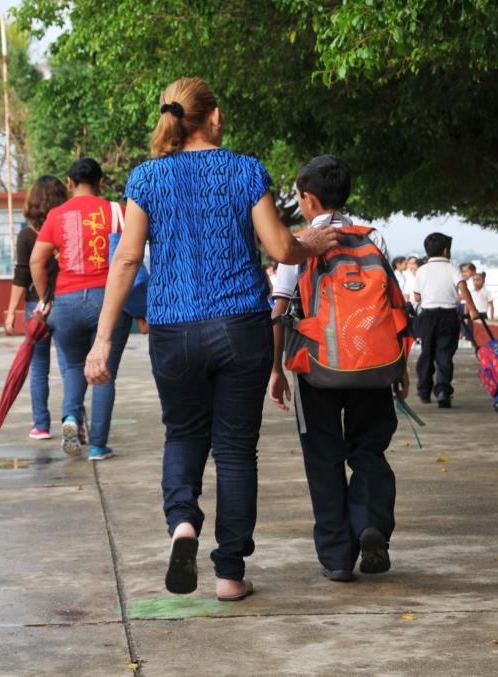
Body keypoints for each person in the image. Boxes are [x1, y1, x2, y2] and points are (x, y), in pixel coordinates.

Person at [83, 78, 336, 602]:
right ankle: (229, 574)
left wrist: (103, 339)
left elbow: (127, 260)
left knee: (182, 436)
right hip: (240, 326)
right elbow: (281, 247)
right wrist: (311, 244)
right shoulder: (244, 170)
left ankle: (182, 526)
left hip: (173, 330)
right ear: (213, 117)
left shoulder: (146, 178)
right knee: (237, 451)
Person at [270, 155, 404, 582]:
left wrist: (275, 369)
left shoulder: (299, 244)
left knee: (323, 458)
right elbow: (394, 305)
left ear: (308, 199)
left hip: (317, 369)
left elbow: (280, 307)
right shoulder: (373, 237)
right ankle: (370, 523)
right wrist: (398, 366)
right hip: (373, 363)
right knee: (368, 449)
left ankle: (337, 558)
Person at [30, 158, 132, 461]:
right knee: (104, 372)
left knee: (74, 367)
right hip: (109, 301)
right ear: (100, 182)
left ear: (69, 182)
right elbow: (135, 256)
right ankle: (98, 445)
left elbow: (37, 261)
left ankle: (71, 419)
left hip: (67, 302)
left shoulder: (56, 215)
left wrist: (44, 299)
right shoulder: (117, 211)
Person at [4, 174, 68, 440]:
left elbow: (22, 276)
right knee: (70, 366)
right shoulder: (66, 230)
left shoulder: (27, 236)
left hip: (37, 305)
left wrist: (10, 312)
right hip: (66, 301)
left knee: (39, 368)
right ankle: (74, 420)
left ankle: (41, 425)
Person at [412, 233, 474, 408]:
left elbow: (417, 296)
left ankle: (424, 391)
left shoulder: (422, 270)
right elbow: (463, 287)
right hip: (448, 316)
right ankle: (442, 391)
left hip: (428, 316)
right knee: (444, 355)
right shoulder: (452, 268)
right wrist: (474, 311)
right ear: (446, 251)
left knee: (426, 353)